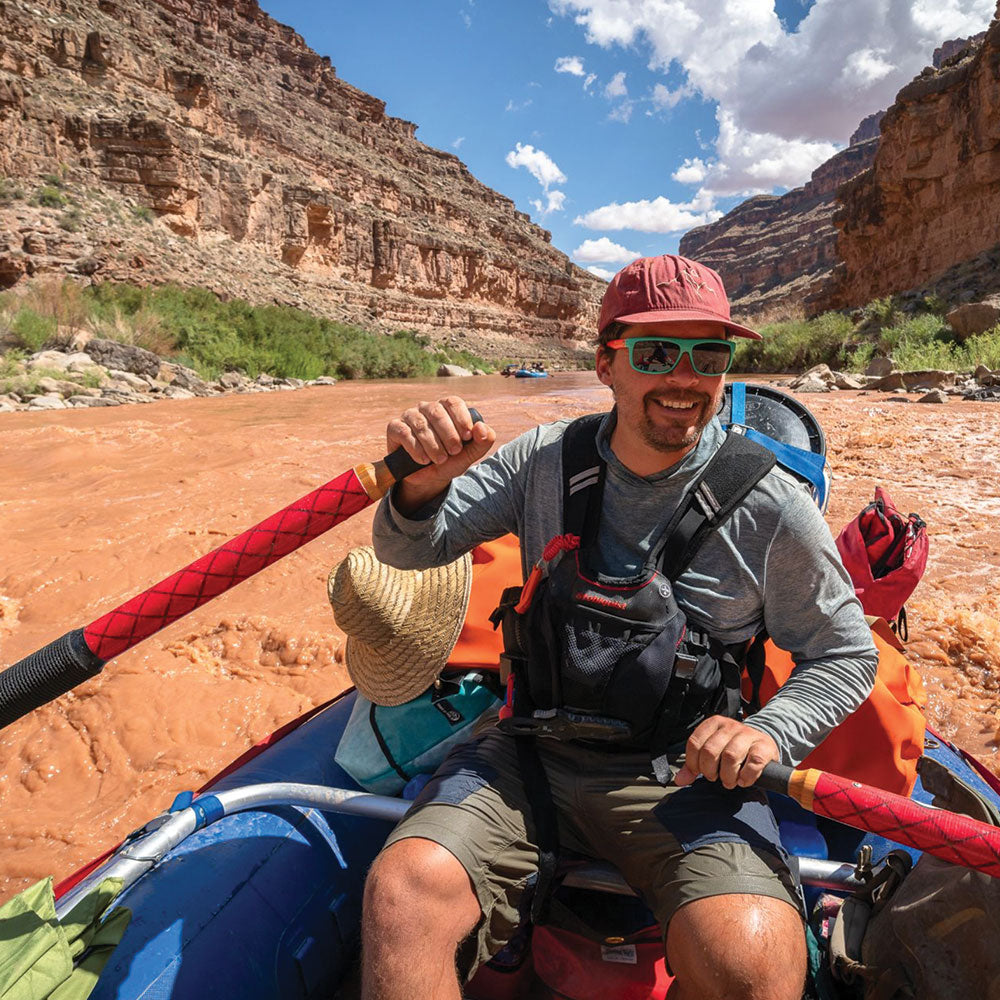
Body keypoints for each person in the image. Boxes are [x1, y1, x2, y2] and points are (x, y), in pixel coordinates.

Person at [361, 254, 879, 1000]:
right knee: (402, 894)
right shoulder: (543, 460)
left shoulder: (772, 506)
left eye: (709, 356)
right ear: (606, 364)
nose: (685, 378)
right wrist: (417, 489)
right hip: (527, 750)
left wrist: (768, 732)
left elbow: (845, 653)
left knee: (755, 966)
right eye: (657, 353)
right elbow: (411, 549)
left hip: (682, 776)